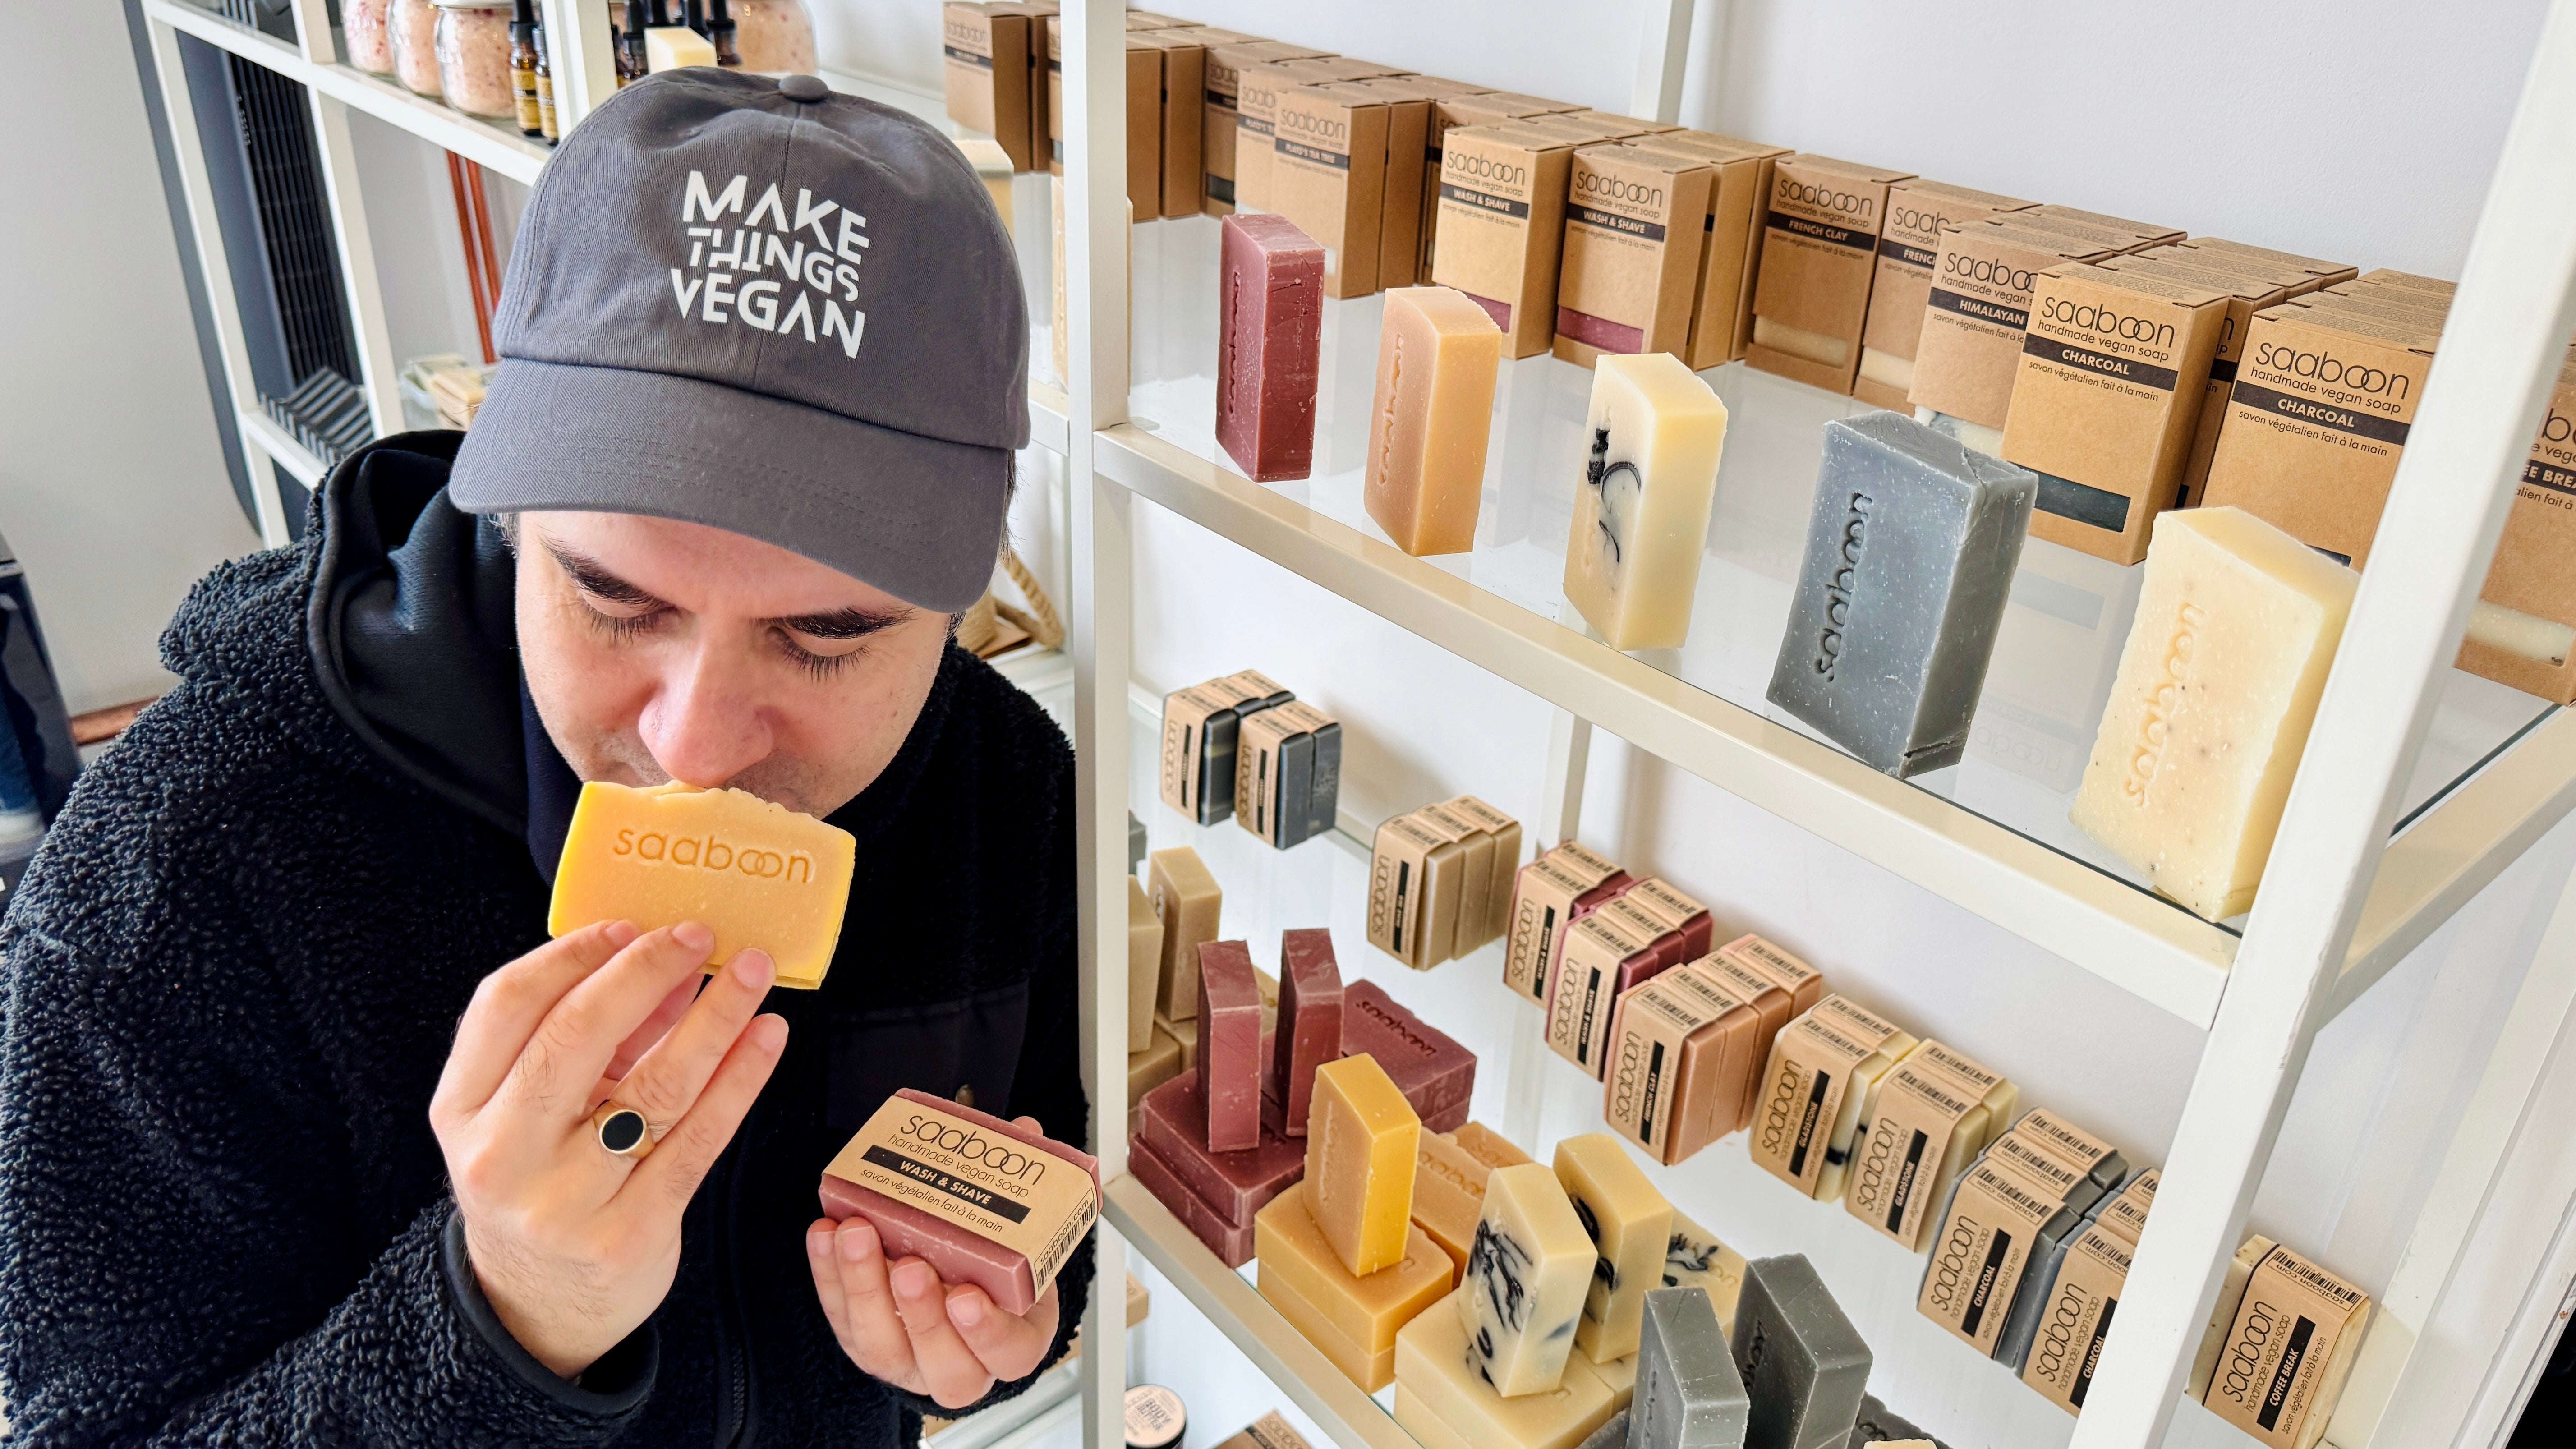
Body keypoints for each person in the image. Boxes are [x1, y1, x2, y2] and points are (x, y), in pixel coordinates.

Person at [0, 69, 1082, 1447]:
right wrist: (497, 1321)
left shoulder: (1006, 789)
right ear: (507, 513)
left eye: (827, 635)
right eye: (612, 597)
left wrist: (998, 1312)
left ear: (960, 606)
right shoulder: (173, 878)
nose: (694, 742)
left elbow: (1045, 1165)